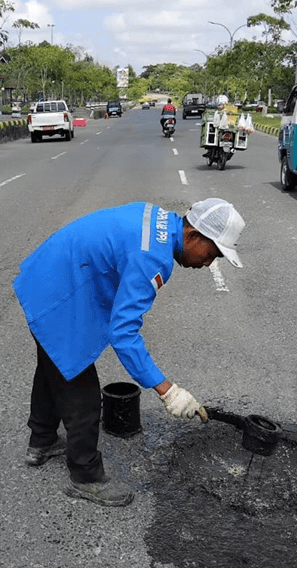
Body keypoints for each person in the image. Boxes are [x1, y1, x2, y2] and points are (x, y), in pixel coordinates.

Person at [13, 199, 246, 507]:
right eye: (212, 254)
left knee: (54, 365)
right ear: (194, 236)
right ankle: (85, 476)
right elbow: (123, 333)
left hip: (49, 274)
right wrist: (167, 391)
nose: (208, 264)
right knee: (80, 392)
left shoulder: (160, 220)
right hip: (58, 290)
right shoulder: (154, 257)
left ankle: (41, 442)